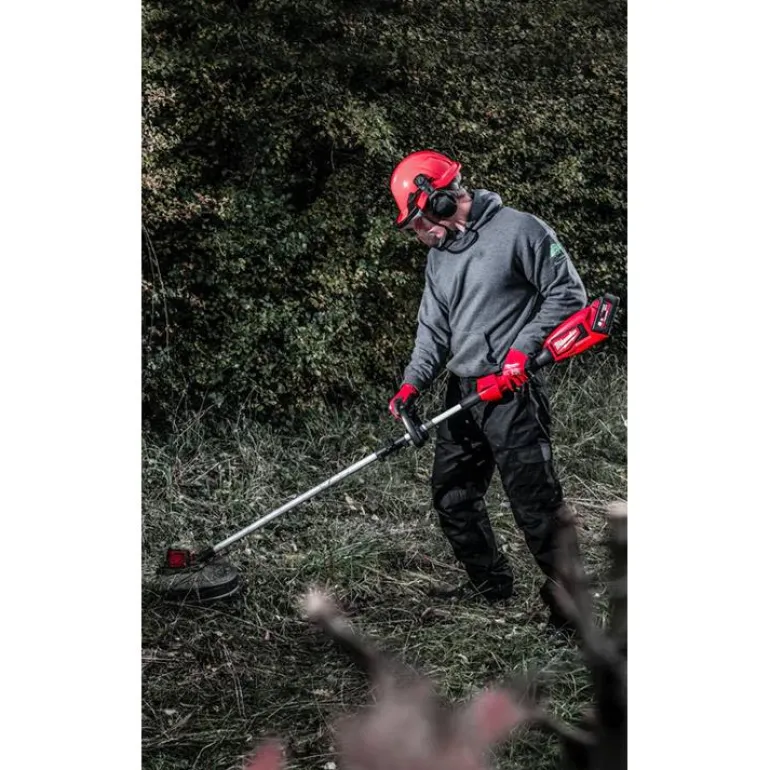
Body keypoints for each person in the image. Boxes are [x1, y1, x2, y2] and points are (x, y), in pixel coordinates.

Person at [387, 149, 588, 632]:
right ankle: (490, 583)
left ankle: (572, 612)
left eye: (419, 221)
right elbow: (433, 329)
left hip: (512, 393)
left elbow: (568, 294)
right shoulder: (439, 258)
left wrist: (522, 349)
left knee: (535, 506)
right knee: (452, 494)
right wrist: (412, 383)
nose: (419, 233)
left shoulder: (521, 230)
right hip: (464, 391)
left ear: (439, 200)